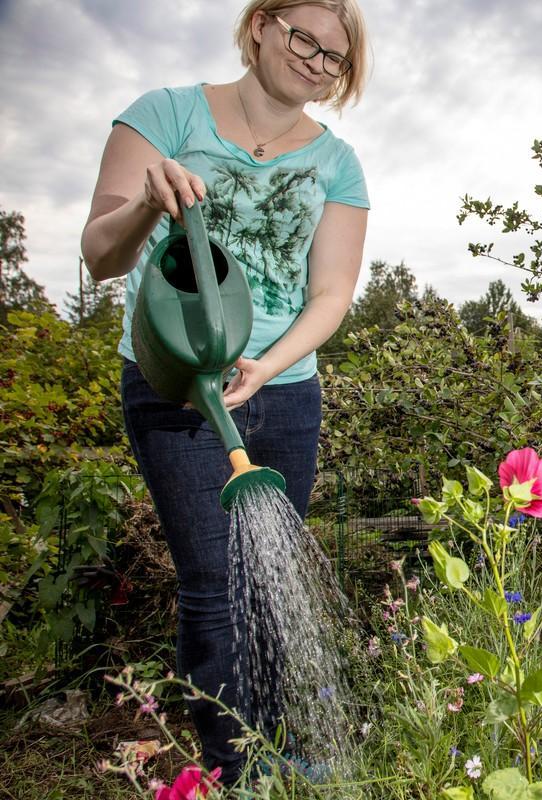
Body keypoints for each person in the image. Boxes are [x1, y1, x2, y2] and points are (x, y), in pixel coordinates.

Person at [80, 0, 370, 781]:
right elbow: (101, 256)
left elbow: (331, 294)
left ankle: (291, 758)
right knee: (213, 584)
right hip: (175, 383)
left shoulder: (337, 164)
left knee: (273, 588)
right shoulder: (165, 116)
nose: (315, 60)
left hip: (283, 389)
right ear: (260, 27)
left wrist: (269, 366)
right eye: (302, 37)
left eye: (334, 57)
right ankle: (234, 772)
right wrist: (148, 199)